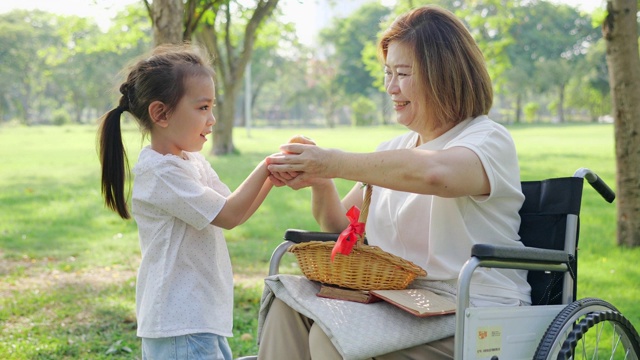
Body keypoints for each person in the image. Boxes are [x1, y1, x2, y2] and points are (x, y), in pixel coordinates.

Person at [259, 5, 531, 360]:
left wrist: (334, 161)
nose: (390, 87)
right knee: (288, 305)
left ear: (443, 75)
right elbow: (339, 226)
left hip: (475, 312)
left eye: (402, 73)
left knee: (335, 337)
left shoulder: (487, 140)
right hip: (401, 304)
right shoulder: (394, 151)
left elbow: (436, 174)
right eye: (388, 73)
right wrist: (323, 180)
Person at [97, 44, 275, 360]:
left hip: (201, 318)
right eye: (202, 108)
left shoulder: (189, 160)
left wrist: (273, 175)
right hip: (180, 326)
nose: (212, 119)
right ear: (161, 113)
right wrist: (267, 166)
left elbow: (234, 209)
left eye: (212, 107)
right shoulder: (161, 171)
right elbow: (230, 214)